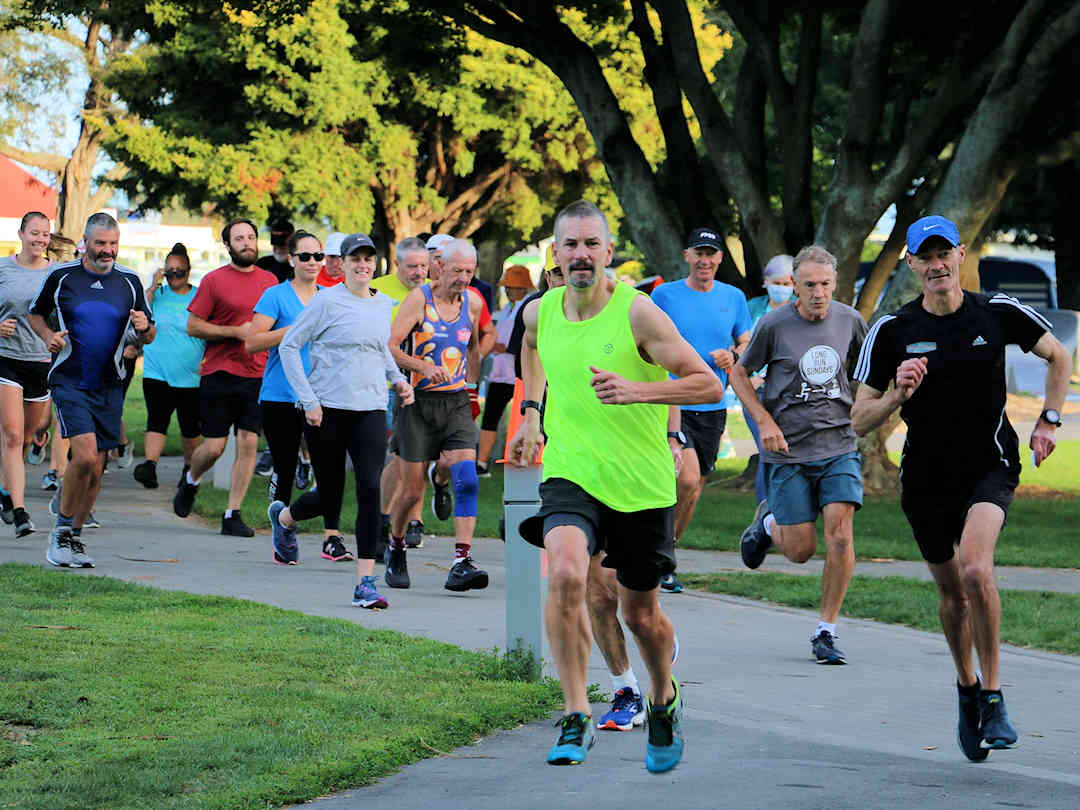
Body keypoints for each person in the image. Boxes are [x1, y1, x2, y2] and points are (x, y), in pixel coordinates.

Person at [508, 200, 723, 771]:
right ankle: (577, 713)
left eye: (590, 245)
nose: (580, 255)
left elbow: (706, 384)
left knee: (640, 616)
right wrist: (532, 410)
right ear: (557, 253)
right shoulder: (541, 312)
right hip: (571, 473)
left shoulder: (639, 314)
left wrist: (638, 391)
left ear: (608, 251)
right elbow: (530, 349)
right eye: (569, 246)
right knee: (568, 574)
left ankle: (662, 696)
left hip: (640, 485)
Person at [851, 214, 1071, 760]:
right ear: (911, 264)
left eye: (943, 253)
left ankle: (995, 694)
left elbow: (1059, 355)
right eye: (925, 256)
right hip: (925, 479)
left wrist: (1049, 419)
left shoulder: (994, 311)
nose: (937, 265)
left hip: (989, 466)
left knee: (976, 569)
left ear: (960, 253)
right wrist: (895, 396)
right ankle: (967, 688)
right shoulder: (892, 330)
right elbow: (857, 419)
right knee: (952, 595)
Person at [729, 245, 868, 665]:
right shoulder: (774, 325)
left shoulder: (851, 321)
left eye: (826, 284)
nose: (818, 292)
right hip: (788, 451)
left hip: (839, 446)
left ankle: (826, 630)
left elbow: (870, 371)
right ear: (794, 286)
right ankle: (770, 523)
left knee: (840, 533)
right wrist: (764, 423)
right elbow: (738, 372)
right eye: (809, 285)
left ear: (835, 284)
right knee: (801, 551)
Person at [271, 233, 414, 607]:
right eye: (356, 259)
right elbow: (289, 346)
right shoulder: (326, 301)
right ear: (343, 263)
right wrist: (309, 400)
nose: (363, 265)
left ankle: (365, 582)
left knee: (370, 488)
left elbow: (379, 348)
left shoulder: (384, 304)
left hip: (368, 409)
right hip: (327, 410)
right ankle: (285, 519)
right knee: (330, 494)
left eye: (369, 259)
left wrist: (398, 381)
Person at [28, 212, 155, 568]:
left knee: (98, 466)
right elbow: (36, 314)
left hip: (111, 384)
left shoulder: (129, 281)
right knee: (83, 455)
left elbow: (148, 333)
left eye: (113, 244)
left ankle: (75, 537)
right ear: (86, 242)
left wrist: (145, 329)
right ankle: (61, 532)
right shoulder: (62, 276)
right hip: (69, 379)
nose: (107, 251)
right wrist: (48, 337)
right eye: (100, 244)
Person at [650, 227, 752, 593]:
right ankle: (661, 557)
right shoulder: (664, 295)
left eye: (711, 253)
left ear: (720, 259)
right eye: (699, 253)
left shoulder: (734, 297)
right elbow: (644, 338)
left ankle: (663, 555)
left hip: (713, 404)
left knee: (694, 488)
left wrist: (734, 355)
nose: (705, 260)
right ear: (687, 256)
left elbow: (745, 338)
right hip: (673, 399)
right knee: (685, 478)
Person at [387, 238, 489, 593]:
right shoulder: (420, 299)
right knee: (411, 492)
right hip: (418, 403)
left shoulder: (473, 302)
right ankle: (396, 546)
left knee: (468, 479)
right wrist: (422, 366)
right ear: (439, 266)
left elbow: (473, 344)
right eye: (457, 270)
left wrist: (473, 384)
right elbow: (391, 346)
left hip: (457, 402)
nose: (463, 278)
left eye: (470, 272)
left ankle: (461, 561)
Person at [172, 218, 278, 536]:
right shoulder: (215, 281)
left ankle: (232, 514)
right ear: (228, 245)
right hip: (220, 372)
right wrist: (235, 332)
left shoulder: (271, 281)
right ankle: (191, 479)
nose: (246, 242)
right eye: (239, 238)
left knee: (248, 443)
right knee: (215, 447)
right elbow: (193, 326)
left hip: (257, 374)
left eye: (251, 237)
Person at [245, 230, 326, 532]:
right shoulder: (276, 295)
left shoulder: (328, 299)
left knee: (327, 466)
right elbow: (252, 343)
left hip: (320, 395)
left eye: (318, 256)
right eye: (304, 256)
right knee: (285, 465)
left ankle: (327, 533)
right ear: (292, 260)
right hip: (280, 394)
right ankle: (280, 527)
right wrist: (294, 330)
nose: (312, 262)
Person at [0, 212, 56, 536]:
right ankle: (21, 513)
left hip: (40, 362)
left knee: (23, 442)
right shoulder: (4, 268)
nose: (40, 239)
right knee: (12, 434)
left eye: (45, 234)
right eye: (34, 233)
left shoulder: (56, 273)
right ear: (21, 234)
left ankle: (7, 492)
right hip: (6, 358)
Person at [132, 243, 205, 489]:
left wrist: (207, 361)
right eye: (170, 272)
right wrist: (153, 285)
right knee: (156, 420)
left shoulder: (200, 296)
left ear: (189, 271)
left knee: (190, 428)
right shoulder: (158, 295)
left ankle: (189, 469)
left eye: (179, 272)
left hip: (190, 374)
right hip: (156, 370)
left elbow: (209, 330)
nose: (174, 277)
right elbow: (139, 310)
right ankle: (150, 466)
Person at [374, 236, 429, 551]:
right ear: (397, 265)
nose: (419, 273)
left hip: (423, 387)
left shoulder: (433, 292)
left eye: (423, 265)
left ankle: (412, 521)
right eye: (412, 267)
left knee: (415, 457)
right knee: (395, 458)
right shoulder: (377, 289)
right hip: (383, 387)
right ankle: (384, 519)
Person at [742, 254, 796, 504]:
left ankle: (784, 508)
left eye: (787, 283)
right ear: (765, 281)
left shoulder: (799, 309)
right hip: (751, 394)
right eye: (777, 282)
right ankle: (766, 510)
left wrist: (762, 377)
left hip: (786, 392)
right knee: (768, 448)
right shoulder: (752, 308)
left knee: (783, 450)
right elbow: (740, 343)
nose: (781, 289)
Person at [475, 264, 534, 476]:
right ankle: (481, 463)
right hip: (500, 373)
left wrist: (502, 346)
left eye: (513, 287)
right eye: (507, 286)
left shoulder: (528, 308)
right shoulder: (507, 309)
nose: (509, 290)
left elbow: (523, 342)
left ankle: (525, 459)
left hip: (519, 375)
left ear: (524, 288)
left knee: (523, 419)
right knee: (490, 417)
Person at [255, 217, 295, 283]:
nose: (278, 249)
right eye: (275, 245)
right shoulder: (261, 265)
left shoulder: (299, 267)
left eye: (282, 245)